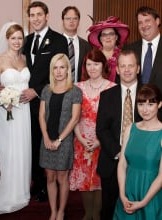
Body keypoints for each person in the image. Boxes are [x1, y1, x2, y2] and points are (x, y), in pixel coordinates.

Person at [22, 1, 69, 202]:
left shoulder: (58, 40)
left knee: (46, 142)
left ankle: (46, 185)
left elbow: (60, 73)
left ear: (47, 16)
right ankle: (37, 183)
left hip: (48, 101)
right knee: (31, 143)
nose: (36, 18)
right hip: (25, 104)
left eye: (39, 14)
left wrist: (38, 91)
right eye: (32, 15)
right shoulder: (26, 40)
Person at [0, 22, 32, 216]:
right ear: (7, 39)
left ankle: (21, 191)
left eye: (19, 38)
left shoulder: (25, 58)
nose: (17, 41)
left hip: (24, 111)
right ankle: (5, 194)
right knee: (7, 151)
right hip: (6, 111)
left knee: (22, 149)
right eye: (13, 38)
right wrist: (3, 101)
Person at [69, 49, 116, 220]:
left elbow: (115, 122)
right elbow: (72, 118)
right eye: (89, 64)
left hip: (103, 144)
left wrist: (99, 141)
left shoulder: (113, 88)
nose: (92, 68)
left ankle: (96, 215)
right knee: (84, 183)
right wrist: (80, 139)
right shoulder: (77, 88)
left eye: (96, 64)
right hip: (81, 142)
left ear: (103, 65)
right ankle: (88, 214)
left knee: (100, 182)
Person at [96, 50, 142, 220]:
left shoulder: (149, 94)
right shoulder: (107, 95)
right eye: (123, 66)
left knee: (138, 208)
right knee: (109, 208)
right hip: (112, 161)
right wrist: (119, 153)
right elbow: (101, 129)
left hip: (141, 164)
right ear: (118, 69)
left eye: (131, 65)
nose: (127, 70)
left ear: (138, 68)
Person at [39, 53, 82, 220]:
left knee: (62, 177)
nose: (58, 71)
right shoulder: (46, 90)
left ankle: (61, 211)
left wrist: (59, 140)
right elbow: (42, 116)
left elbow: (75, 118)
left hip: (63, 141)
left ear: (67, 69)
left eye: (62, 67)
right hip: (47, 140)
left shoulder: (75, 91)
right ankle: (53, 211)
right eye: (55, 68)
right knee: (50, 177)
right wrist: (46, 138)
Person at [113, 84, 162, 219]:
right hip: (128, 193)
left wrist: (144, 202)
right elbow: (122, 164)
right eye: (141, 104)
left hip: (151, 195)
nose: (145, 110)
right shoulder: (130, 129)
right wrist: (122, 194)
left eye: (151, 104)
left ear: (159, 104)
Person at [125, 7, 162, 96]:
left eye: (147, 20)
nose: (144, 25)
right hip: (136, 107)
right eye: (140, 22)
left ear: (157, 21)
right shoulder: (129, 50)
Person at [88, 16, 129, 83]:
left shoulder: (123, 57)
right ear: (100, 39)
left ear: (116, 37)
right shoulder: (93, 57)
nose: (108, 37)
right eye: (104, 35)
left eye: (111, 34)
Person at [61, 6, 92, 82]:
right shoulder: (54, 43)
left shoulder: (87, 46)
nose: (71, 21)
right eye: (68, 18)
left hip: (80, 90)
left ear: (79, 21)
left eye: (75, 18)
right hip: (59, 90)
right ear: (63, 21)